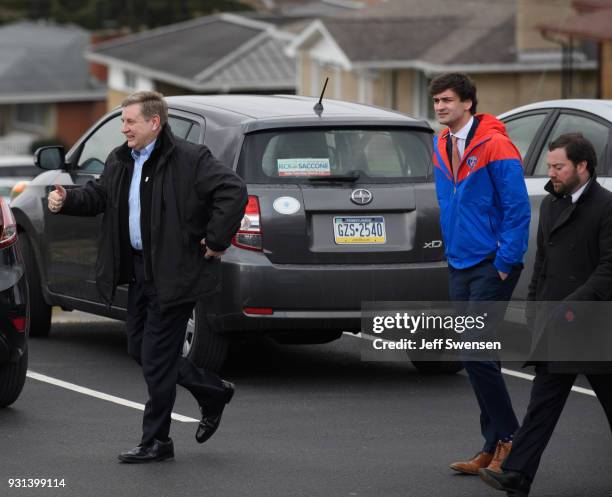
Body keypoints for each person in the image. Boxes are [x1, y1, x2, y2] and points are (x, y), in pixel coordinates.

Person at [47, 90, 248, 463]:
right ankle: (212, 391)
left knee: (156, 358)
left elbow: (233, 190)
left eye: (129, 122)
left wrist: (217, 239)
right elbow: (99, 195)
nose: (124, 129)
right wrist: (67, 200)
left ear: (154, 123)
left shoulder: (190, 158)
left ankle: (157, 441)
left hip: (176, 273)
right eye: (123, 122)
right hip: (139, 271)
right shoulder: (121, 160)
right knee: (140, 348)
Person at [479, 133, 612, 497]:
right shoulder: (553, 205)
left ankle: (517, 471)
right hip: (557, 324)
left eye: (558, 166)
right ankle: (517, 474)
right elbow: (543, 265)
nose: (550, 173)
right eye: (549, 166)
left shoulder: (606, 206)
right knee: (542, 403)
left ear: (582, 166)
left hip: (597, 326)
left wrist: (571, 306)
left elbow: (608, 269)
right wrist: (536, 310)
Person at [429, 73, 531, 474]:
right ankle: (492, 445)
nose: (440, 107)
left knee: (476, 351)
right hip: (460, 262)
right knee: (475, 357)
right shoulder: (440, 143)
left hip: (492, 264)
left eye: (448, 100)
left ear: (468, 103)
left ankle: (509, 438)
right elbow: (446, 199)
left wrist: (505, 262)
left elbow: (517, 209)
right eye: (436, 100)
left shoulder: (496, 144)